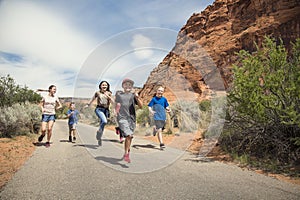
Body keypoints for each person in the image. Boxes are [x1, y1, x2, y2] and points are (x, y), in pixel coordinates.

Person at [115, 78, 143, 163]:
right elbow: (117, 104)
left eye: (130, 85)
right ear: (123, 86)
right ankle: (127, 153)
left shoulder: (133, 95)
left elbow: (141, 106)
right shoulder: (119, 94)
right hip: (122, 118)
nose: (128, 86)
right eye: (126, 84)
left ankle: (126, 151)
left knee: (129, 137)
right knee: (129, 135)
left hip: (132, 119)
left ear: (132, 87)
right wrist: (115, 111)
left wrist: (137, 98)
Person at [86, 81, 113, 146]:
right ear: (100, 86)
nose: (104, 86)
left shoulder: (109, 93)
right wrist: (88, 104)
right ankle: (98, 132)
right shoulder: (97, 93)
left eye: (105, 85)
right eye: (103, 85)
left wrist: (108, 97)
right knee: (104, 121)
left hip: (106, 110)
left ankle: (99, 138)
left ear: (107, 86)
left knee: (102, 125)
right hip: (99, 109)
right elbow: (92, 98)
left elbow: (112, 101)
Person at [148, 85, 171, 150]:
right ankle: (161, 143)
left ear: (163, 92)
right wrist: (151, 111)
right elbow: (149, 106)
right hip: (156, 116)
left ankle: (154, 129)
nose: (160, 92)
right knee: (160, 130)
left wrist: (169, 109)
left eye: (161, 91)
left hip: (163, 117)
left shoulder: (164, 99)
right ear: (156, 91)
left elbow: (166, 106)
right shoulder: (154, 99)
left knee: (160, 129)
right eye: (159, 90)